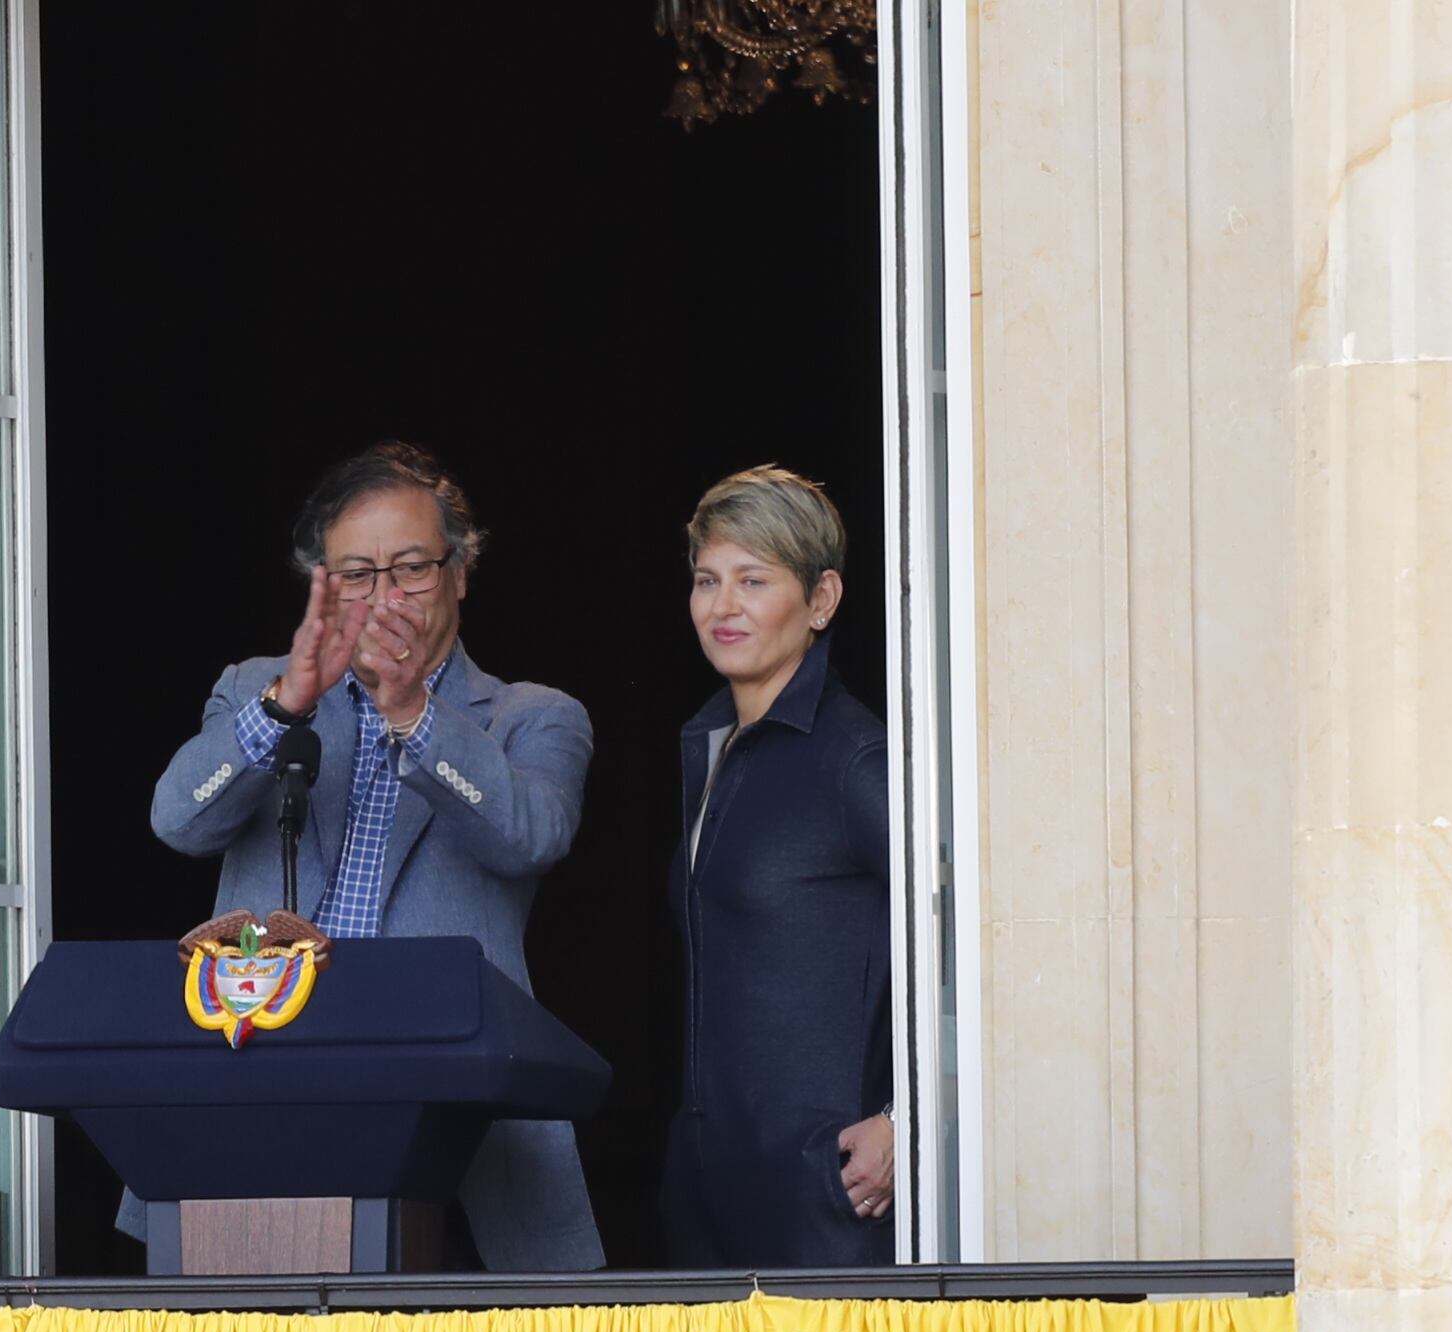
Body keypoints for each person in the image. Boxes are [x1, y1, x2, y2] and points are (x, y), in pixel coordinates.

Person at [135, 440, 605, 1272]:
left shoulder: (531, 715)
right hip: (266, 1083)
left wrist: (414, 710)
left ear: (460, 572)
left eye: (410, 568)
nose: (382, 597)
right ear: (322, 583)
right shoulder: (255, 688)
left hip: (454, 1113)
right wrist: (286, 705)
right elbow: (177, 818)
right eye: (355, 573)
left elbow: (532, 832)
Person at [662, 465, 895, 1269]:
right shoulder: (709, 744)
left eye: (752, 580)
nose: (721, 606)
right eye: (706, 580)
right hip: (709, 1195)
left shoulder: (853, 759)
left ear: (821, 600)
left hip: (822, 1202)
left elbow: (968, 941)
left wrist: (912, 1117)